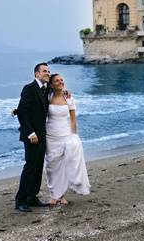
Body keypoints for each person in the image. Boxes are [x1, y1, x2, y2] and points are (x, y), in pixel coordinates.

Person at [44, 73, 90, 205]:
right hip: (51, 136)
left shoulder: (69, 98)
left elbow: (73, 119)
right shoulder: (48, 97)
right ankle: (54, 195)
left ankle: (61, 195)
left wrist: (74, 136)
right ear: (51, 84)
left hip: (66, 135)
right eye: (57, 81)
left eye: (62, 80)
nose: (60, 82)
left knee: (64, 165)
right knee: (51, 166)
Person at [14, 63, 52, 212]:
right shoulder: (29, 88)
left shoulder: (46, 89)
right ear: (36, 74)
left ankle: (32, 197)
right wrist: (31, 133)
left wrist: (66, 92)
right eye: (44, 71)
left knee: (38, 167)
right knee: (30, 167)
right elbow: (22, 112)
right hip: (32, 136)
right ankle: (21, 201)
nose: (47, 73)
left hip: (42, 134)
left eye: (48, 71)